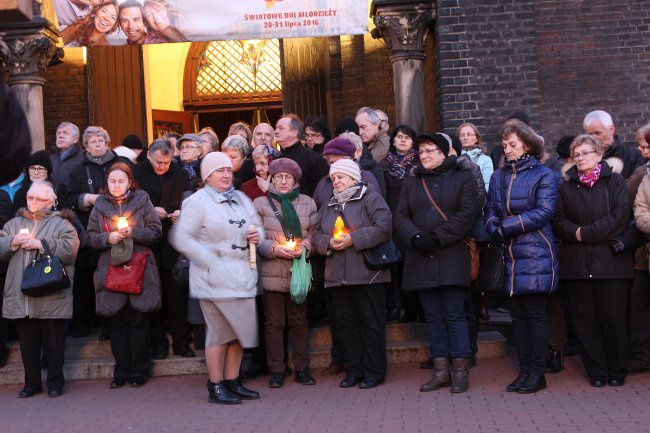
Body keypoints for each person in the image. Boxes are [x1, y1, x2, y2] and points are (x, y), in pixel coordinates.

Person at [170, 152, 263, 405]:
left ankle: (233, 381)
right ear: (207, 176)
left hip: (243, 275)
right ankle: (216, 384)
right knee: (220, 333)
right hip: (213, 278)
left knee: (238, 332)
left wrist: (257, 237)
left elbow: (257, 227)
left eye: (228, 170)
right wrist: (213, 260)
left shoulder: (242, 198)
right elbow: (182, 238)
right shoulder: (197, 201)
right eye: (219, 170)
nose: (225, 174)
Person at [396, 133, 478, 393]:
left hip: (452, 255)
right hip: (421, 256)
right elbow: (400, 215)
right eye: (421, 152)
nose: (425, 155)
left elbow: (467, 215)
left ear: (444, 152)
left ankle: (460, 371)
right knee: (432, 316)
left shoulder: (463, 177)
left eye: (430, 150)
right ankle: (441, 370)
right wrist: (415, 236)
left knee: (454, 314)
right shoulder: (412, 182)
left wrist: (436, 237)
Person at [484, 119, 558, 394]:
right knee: (517, 318)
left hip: (536, 253)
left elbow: (545, 212)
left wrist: (507, 227)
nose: (507, 149)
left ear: (527, 145)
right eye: (504, 145)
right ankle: (524, 370)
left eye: (512, 145)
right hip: (509, 255)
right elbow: (490, 208)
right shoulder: (498, 176)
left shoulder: (543, 175)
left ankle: (537, 373)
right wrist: (494, 227)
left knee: (535, 317)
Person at [554, 134, 632, 387]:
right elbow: (558, 221)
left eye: (586, 153)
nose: (580, 157)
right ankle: (596, 370)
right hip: (576, 265)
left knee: (612, 317)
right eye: (577, 154)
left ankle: (617, 369)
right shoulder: (565, 187)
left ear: (599, 156)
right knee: (584, 319)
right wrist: (573, 232)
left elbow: (620, 217)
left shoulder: (616, 182)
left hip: (610, 264)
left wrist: (584, 233)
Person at [312, 159, 392, 389]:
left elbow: (384, 228)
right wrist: (328, 243)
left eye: (341, 177)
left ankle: (374, 371)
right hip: (337, 276)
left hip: (368, 274)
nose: (336, 181)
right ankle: (353, 370)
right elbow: (315, 234)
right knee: (345, 325)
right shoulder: (328, 205)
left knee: (370, 323)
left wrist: (352, 240)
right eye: (333, 178)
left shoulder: (370, 198)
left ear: (354, 178)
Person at [85, 162, 162, 388]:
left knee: (138, 320)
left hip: (139, 266)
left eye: (121, 180)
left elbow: (156, 231)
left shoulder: (142, 200)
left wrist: (134, 232)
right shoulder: (99, 205)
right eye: (112, 181)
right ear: (106, 183)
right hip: (111, 267)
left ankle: (139, 370)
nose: (116, 185)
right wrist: (106, 239)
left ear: (130, 182)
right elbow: (89, 237)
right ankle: (122, 370)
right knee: (116, 321)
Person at [0, 181, 80, 398]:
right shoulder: (14, 223)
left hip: (50, 294)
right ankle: (31, 383)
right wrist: (11, 242)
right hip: (21, 295)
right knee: (28, 346)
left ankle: (55, 382)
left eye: (38, 198)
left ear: (51, 201)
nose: (33, 202)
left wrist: (42, 244)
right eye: (30, 197)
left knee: (54, 345)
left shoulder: (62, 224)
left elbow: (70, 251)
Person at [254, 158, 318, 388]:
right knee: (274, 323)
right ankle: (277, 369)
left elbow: (315, 232)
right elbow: (255, 237)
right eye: (278, 177)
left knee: (299, 321)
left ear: (295, 180)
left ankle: (301, 367)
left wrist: (306, 247)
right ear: (271, 179)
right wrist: (273, 248)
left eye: (288, 177)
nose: (283, 181)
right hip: (272, 270)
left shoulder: (308, 203)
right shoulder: (260, 204)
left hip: (298, 271)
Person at [132, 140, 194, 359]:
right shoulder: (136, 173)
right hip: (146, 241)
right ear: (148, 155)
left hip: (172, 240)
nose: (162, 167)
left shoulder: (180, 175)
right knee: (152, 294)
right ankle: (158, 343)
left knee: (176, 294)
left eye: (167, 163)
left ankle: (181, 341)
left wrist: (179, 213)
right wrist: (149, 212)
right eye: (158, 162)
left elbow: (190, 203)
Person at [61, 126, 121, 338]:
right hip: (88, 230)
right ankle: (83, 322)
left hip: (117, 231)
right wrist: (86, 199)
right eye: (92, 141)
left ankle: (110, 324)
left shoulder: (121, 165)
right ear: (85, 146)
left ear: (107, 143)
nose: (97, 144)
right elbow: (66, 198)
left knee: (112, 277)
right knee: (85, 277)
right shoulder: (76, 170)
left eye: (101, 140)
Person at [380, 125, 419, 322]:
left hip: (413, 221)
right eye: (399, 137)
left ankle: (413, 307)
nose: (403, 140)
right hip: (391, 221)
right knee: (393, 265)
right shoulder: (384, 166)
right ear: (393, 141)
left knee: (411, 264)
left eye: (407, 137)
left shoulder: (419, 165)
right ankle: (396, 306)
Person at [312, 136, 381, 208]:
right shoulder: (324, 182)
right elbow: (316, 211)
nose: (335, 166)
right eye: (331, 163)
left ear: (350, 159)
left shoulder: (367, 177)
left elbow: (377, 210)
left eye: (339, 162)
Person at [275, 115, 329, 197]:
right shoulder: (278, 159)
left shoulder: (313, 159)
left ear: (294, 132)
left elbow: (321, 194)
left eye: (281, 128)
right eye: (276, 128)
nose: (276, 131)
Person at [583, 110, 645, 179]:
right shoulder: (582, 158)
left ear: (611, 130)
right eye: (589, 134)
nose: (593, 138)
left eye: (597, 133)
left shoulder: (634, 156)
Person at [51, 122, 84, 189]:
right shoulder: (51, 158)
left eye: (65, 133)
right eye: (58, 133)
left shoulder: (84, 158)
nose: (60, 136)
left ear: (75, 139)